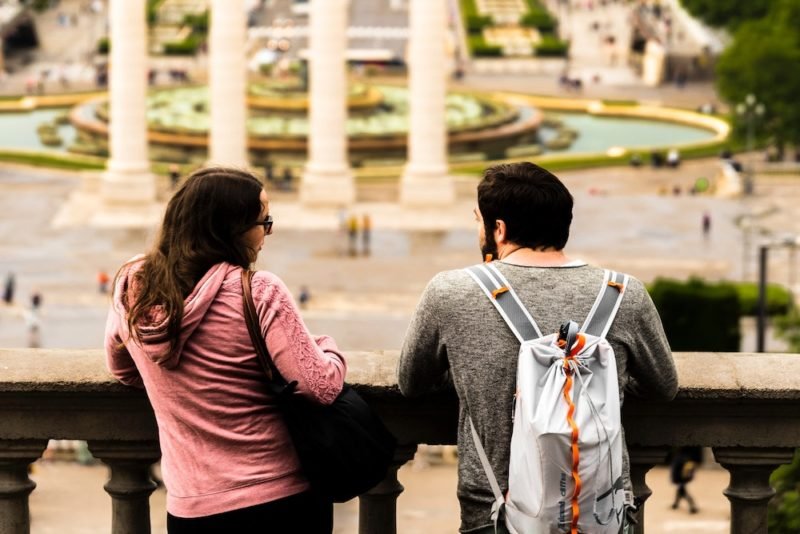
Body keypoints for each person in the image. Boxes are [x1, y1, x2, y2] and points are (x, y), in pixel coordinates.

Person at [398, 162, 678, 534]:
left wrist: (473, 374)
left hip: (493, 514)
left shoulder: (450, 293)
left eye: (479, 220)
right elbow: (664, 385)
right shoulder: (625, 294)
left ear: (499, 229)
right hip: (598, 516)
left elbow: (411, 382)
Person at [104, 167, 345, 533]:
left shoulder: (132, 284)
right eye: (263, 220)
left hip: (191, 506)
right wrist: (327, 348)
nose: (269, 230)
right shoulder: (259, 290)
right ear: (229, 229)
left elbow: (121, 367)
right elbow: (320, 386)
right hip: (281, 497)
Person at [670, 446, 701, 513]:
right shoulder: (683, 457)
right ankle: (676, 504)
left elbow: (685, 469)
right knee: (681, 490)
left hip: (681, 478)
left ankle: (692, 506)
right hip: (681, 477)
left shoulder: (680, 457)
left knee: (682, 491)